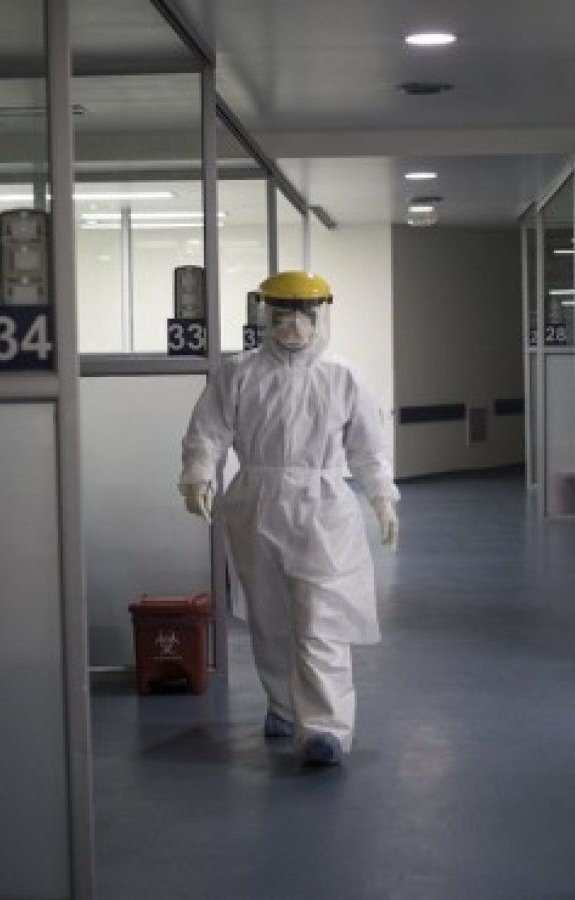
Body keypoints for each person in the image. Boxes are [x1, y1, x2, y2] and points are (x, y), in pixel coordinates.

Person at [178, 271, 399, 767]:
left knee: (321, 618)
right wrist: (197, 476)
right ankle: (282, 703)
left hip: (323, 508)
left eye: (305, 313)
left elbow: (368, 448)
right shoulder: (239, 372)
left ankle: (324, 727)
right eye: (283, 314)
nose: (295, 324)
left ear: (321, 315)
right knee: (269, 617)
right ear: (265, 314)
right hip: (255, 504)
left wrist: (383, 498)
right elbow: (208, 431)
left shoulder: (343, 375)